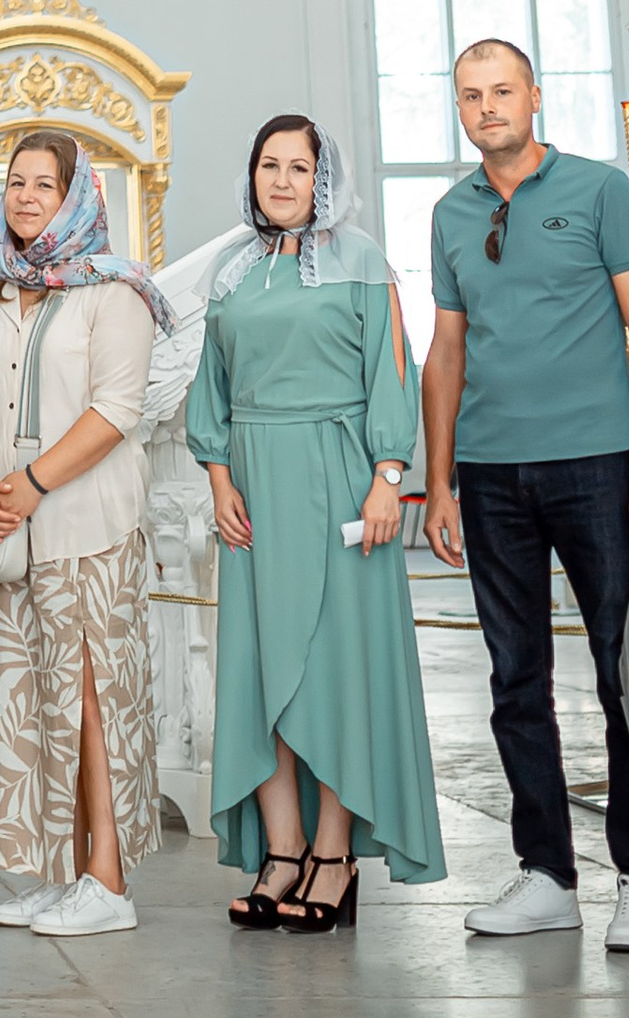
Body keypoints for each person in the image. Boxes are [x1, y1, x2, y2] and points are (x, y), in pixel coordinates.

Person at [420, 38, 629, 957]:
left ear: (535, 95)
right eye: (470, 96)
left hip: (600, 468)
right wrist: (440, 481)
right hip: (491, 478)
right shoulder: (451, 212)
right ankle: (548, 876)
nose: (487, 107)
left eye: (501, 91)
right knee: (514, 680)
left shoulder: (601, 191)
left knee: (624, 676)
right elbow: (445, 355)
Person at [186, 114, 444, 929]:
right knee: (262, 669)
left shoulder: (364, 261)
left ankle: (335, 854)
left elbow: (390, 375)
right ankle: (282, 848)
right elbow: (210, 391)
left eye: (301, 167)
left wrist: (387, 480)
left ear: (324, 178)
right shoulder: (233, 273)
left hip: (341, 484)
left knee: (335, 674)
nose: (284, 181)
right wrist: (220, 478)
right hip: (256, 490)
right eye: (271, 165)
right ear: (253, 175)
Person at [0, 128, 168, 940]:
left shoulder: (116, 293)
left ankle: (107, 880)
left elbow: (116, 410)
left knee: (91, 699)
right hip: (8, 530)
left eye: (45, 184)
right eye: (15, 183)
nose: (27, 197)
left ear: (77, 199)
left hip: (87, 524)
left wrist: (32, 484)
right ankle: (59, 871)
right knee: (27, 701)